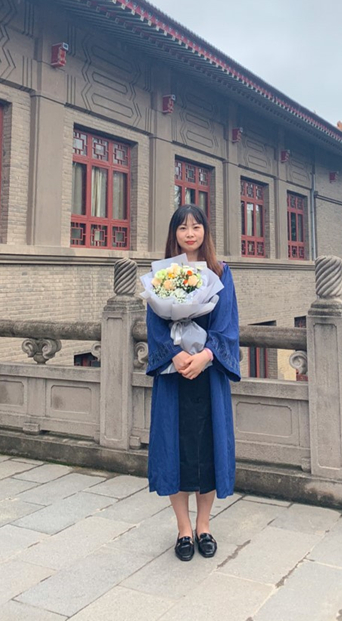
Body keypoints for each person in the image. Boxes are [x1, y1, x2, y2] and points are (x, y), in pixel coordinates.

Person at [146, 204, 240, 562]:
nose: (190, 233)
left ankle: (204, 525)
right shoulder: (163, 275)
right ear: (174, 233)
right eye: (183, 227)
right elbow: (155, 324)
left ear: (205, 231)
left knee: (208, 450)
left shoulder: (220, 272)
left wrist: (206, 356)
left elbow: (228, 323)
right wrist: (174, 355)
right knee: (176, 450)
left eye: (196, 227)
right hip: (174, 377)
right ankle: (183, 529)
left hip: (208, 375)